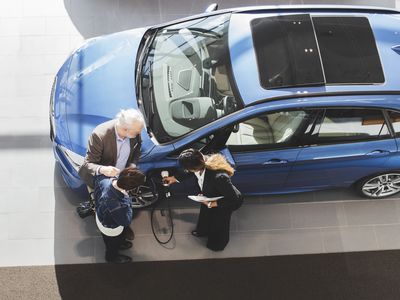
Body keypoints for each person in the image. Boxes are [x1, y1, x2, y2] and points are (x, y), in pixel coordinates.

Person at [78, 108, 145, 240]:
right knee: (107, 202)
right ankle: (110, 224)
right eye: (137, 131)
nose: (139, 133)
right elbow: (88, 163)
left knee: (122, 199)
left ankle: (122, 225)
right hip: (103, 177)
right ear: (125, 129)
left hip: (122, 177)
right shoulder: (100, 135)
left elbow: (137, 150)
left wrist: (132, 165)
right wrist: (103, 170)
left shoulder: (134, 131)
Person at [163, 149, 243, 251]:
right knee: (205, 214)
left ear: (194, 168)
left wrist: (211, 204)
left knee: (219, 224)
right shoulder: (199, 160)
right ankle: (202, 231)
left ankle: (217, 245)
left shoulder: (219, 177)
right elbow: (189, 172)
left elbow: (233, 198)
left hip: (225, 202)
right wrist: (174, 178)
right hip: (210, 196)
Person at [94, 167, 146, 263]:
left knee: (116, 238)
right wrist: (127, 199)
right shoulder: (115, 203)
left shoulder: (104, 179)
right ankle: (111, 257)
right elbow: (125, 221)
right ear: (132, 188)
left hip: (101, 213)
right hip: (110, 227)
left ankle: (120, 243)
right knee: (113, 242)